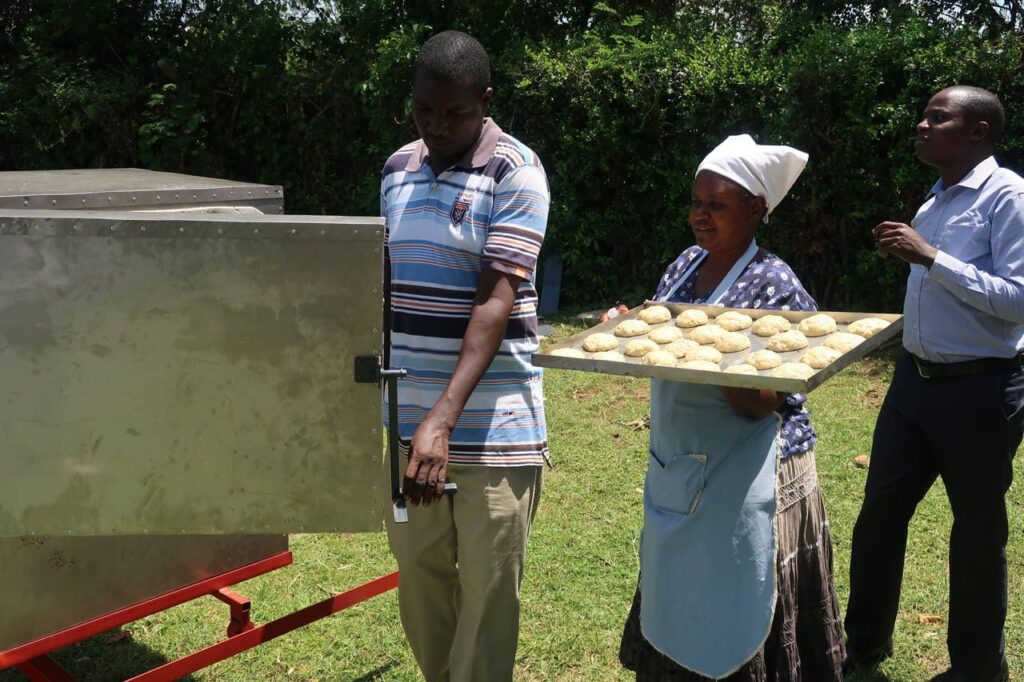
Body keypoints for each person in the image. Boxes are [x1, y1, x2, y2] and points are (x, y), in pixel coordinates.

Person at [618, 135, 845, 681]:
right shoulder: (685, 265)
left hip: (754, 468)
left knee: (740, 591)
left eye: (716, 205)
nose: (700, 215)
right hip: (682, 458)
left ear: (756, 209)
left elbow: (765, 404)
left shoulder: (772, 282)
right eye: (697, 202)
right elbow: (661, 332)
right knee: (686, 580)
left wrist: (718, 361)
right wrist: (625, 324)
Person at [379, 30, 549, 682]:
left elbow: (495, 300)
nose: (439, 126)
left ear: (486, 101)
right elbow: (389, 289)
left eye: (455, 113)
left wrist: (441, 422)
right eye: (426, 110)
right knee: (419, 582)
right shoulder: (397, 169)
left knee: (486, 600)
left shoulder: (517, 171)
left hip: (492, 433)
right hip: (406, 425)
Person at [843, 86, 1023, 682]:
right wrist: (919, 252)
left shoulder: (1009, 198)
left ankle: (977, 670)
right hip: (913, 384)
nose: (921, 125)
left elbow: (1018, 301)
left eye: (937, 118)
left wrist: (929, 257)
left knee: (976, 533)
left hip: (979, 390)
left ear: (977, 131)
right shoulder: (936, 198)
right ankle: (863, 645)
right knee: (878, 519)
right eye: (924, 115)